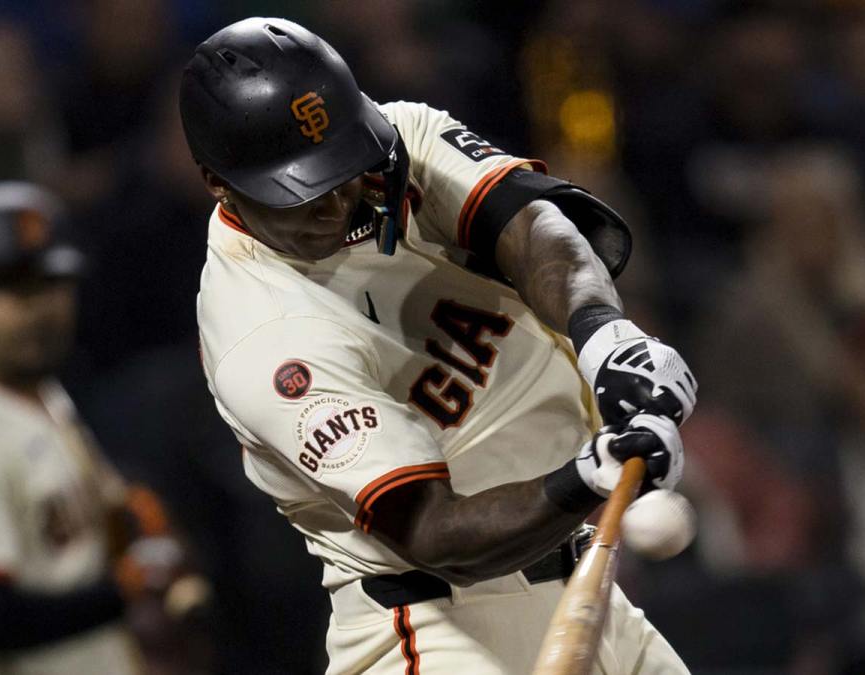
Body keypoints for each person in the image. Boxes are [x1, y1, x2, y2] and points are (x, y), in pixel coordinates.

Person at [180, 17, 698, 674]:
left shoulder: (397, 139)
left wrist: (604, 335)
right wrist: (586, 477)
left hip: (583, 581)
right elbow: (434, 533)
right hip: (439, 626)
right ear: (217, 181)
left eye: (342, 165)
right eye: (300, 190)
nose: (336, 203)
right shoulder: (263, 336)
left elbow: (535, 226)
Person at [0, 182, 186, 674]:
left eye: (54, 283)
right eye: (16, 288)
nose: (42, 309)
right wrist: (127, 591)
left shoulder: (38, 391)